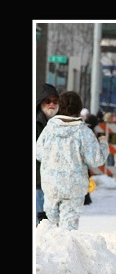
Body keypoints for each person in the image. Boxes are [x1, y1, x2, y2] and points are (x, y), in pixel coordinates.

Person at [35, 91, 109, 231]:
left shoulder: (49, 129)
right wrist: (103, 143)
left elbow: (38, 154)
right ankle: (66, 250)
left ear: (60, 107)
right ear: (79, 109)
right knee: (68, 230)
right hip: (73, 187)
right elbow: (96, 159)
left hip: (51, 185)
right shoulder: (83, 132)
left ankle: (46, 250)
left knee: (48, 226)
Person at [36, 83, 59, 225]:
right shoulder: (36, 123)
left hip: (55, 183)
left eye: (55, 102)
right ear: (40, 103)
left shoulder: (59, 123)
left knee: (51, 225)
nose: (51, 104)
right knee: (41, 224)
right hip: (38, 181)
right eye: (47, 101)